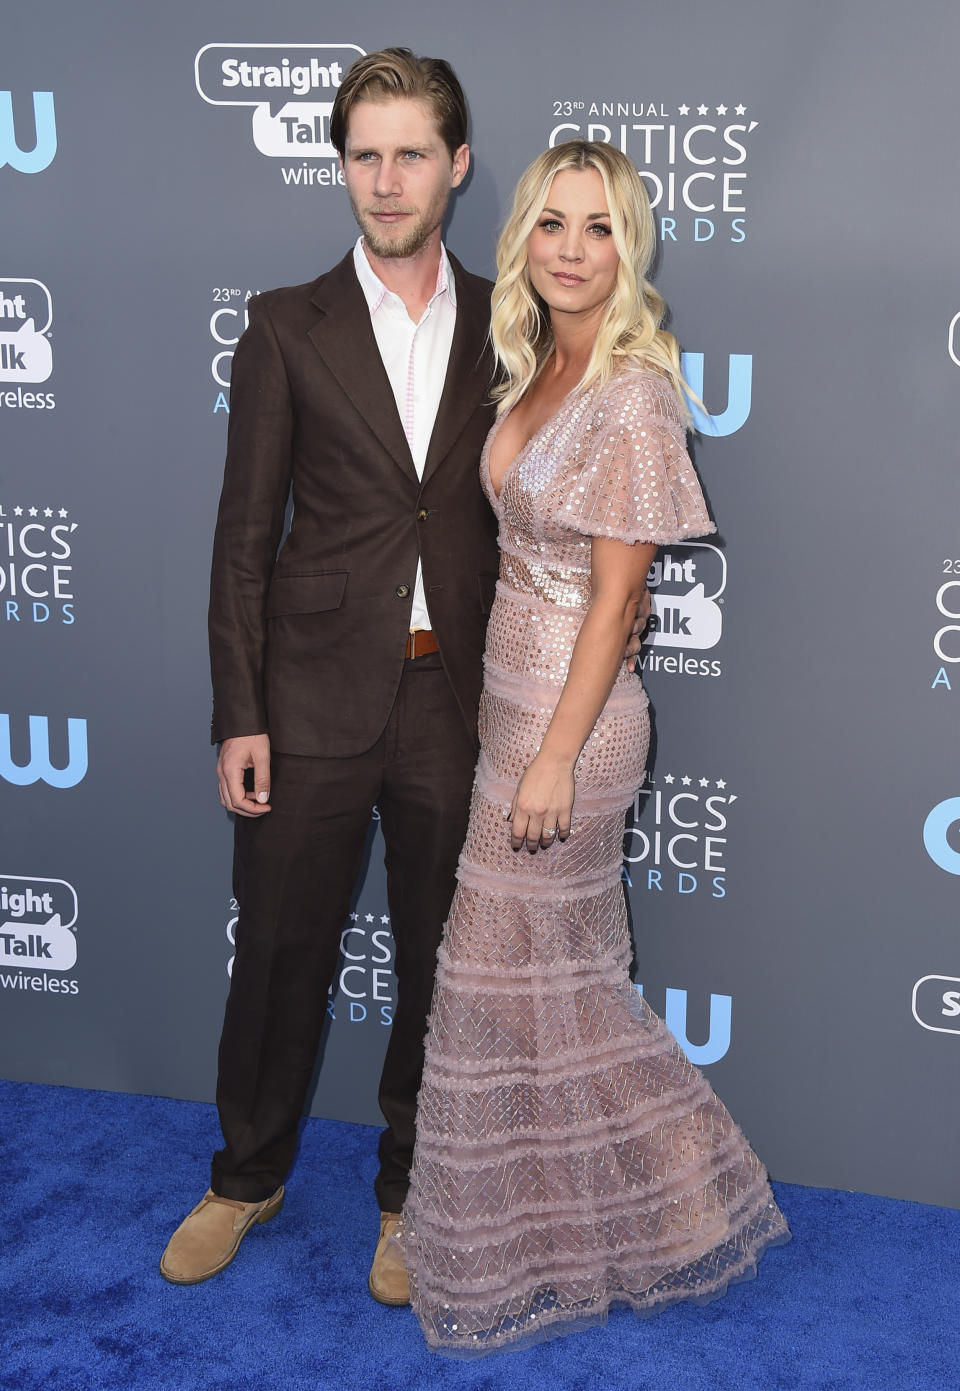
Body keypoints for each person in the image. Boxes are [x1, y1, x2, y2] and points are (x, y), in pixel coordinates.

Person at [159, 49, 645, 1300]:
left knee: (443, 959)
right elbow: (240, 536)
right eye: (364, 154)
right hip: (308, 698)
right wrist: (240, 711)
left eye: (411, 153)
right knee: (277, 947)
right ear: (341, 166)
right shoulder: (282, 324)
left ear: (458, 166)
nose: (387, 180)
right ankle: (244, 1174)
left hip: (457, 698)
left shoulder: (515, 324)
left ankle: (410, 1192)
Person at [398, 140, 790, 1356]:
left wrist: (558, 756)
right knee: (546, 986)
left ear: (632, 248)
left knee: (504, 976)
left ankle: (667, 1203)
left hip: (576, 721)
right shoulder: (535, 369)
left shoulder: (631, 388)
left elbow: (618, 604)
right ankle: (598, 1217)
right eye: (553, 223)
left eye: (600, 227)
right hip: (506, 707)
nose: (572, 248)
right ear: (524, 237)